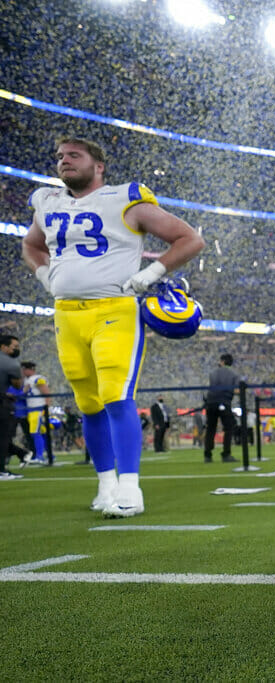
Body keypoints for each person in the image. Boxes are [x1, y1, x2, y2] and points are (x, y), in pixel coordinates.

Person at [22, 136, 205, 515]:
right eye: (59, 157)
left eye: (74, 155)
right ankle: (105, 487)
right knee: (87, 405)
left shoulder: (126, 198)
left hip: (114, 311)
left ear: (99, 165)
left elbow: (190, 239)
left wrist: (152, 272)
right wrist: (46, 278)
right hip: (67, 314)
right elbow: (32, 246)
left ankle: (130, 490)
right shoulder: (47, 202)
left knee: (116, 398)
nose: (64, 162)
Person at [204, 353, 240, 463]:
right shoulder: (234, 374)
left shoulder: (212, 373)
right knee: (229, 428)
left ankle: (208, 455)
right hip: (225, 402)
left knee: (211, 429)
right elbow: (237, 391)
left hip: (211, 403)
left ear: (222, 361)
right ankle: (226, 454)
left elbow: (208, 388)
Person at [0, 335, 26, 480]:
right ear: (3, 346)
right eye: (14, 346)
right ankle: (1, 470)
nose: (17, 349)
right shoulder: (11, 363)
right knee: (3, 438)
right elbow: (17, 385)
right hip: (1, 404)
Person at [21, 362, 53, 463]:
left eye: (24, 369)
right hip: (31, 409)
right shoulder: (27, 380)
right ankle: (50, 455)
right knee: (42, 433)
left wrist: (46, 409)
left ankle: (40, 456)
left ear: (29, 369)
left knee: (35, 433)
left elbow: (46, 393)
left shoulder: (37, 379)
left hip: (38, 409)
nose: (22, 371)